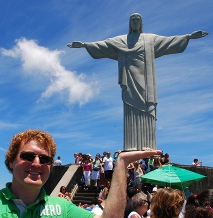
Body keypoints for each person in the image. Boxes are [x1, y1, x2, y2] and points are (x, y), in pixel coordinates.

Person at [68, 13, 208, 151]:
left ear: (141, 22)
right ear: (130, 23)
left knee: (147, 110)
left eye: (138, 19)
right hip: (130, 81)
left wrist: (188, 37)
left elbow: (169, 41)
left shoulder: (150, 39)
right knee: (131, 111)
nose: (135, 22)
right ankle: (131, 146)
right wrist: (85, 45)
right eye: (133, 19)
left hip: (147, 82)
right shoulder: (122, 41)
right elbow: (104, 45)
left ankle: (149, 146)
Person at [0, 129, 162, 218]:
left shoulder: (62, 208)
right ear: (11, 162)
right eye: (28, 156)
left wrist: (121, 164)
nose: (37, 163)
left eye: (45, 159)